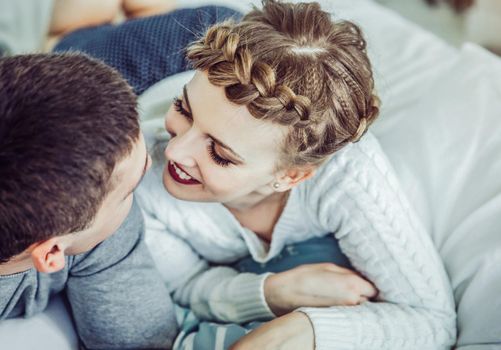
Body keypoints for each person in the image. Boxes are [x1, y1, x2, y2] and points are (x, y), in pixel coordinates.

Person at [133, 1, 457, 349]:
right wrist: (276, 292)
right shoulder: (138, 172)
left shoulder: (346, 174)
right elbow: (186, 284)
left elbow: (433, 319)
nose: (174, 152)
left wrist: (306, 329)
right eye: (183, 109)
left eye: (219, 154)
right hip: (152, 66)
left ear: (292, 176)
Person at [0, 53, 177, 349]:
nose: (152, 166)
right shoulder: (89, 231)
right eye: (129, 190)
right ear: (51, 254)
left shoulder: (84, 223)